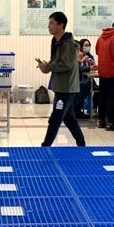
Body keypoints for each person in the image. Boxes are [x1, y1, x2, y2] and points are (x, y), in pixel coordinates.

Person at [37, 12, 86, 148]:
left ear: (61, 25)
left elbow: (66, 64)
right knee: (68, 118)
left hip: (67, 87)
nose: (49, 26)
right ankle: (81, 143)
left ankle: (45, 146)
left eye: (52, 23)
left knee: (56, 118)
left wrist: (49, 66)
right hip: (60, 85)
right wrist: (46, 65)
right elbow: (56, 61)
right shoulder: (56, 41)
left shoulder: (68, 45)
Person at [75, 38, 95, 118]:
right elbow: (78, 68)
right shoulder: (75, 56)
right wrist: (81, 60)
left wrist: (91, 65)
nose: (88, 47)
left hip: (85, 78)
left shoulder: (90, 56)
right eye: (86, 45)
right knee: (86, 86)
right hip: (76, 80)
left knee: (89, 85)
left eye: (89, 45)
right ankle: (76, 110)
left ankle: (79, 110)